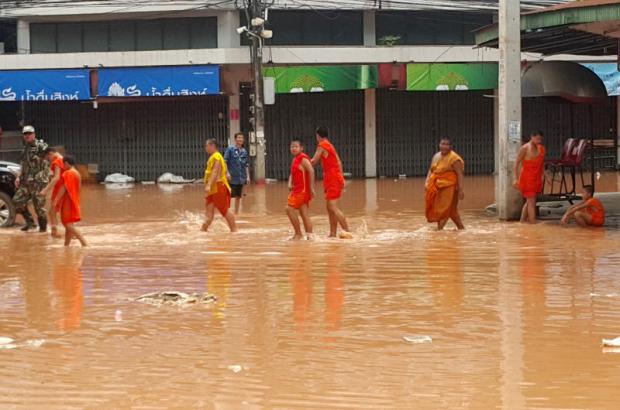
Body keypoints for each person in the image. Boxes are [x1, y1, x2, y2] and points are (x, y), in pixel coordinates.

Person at [310, 126, 352, 239]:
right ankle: (332, 234)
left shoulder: (322, 145)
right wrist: (341, 177)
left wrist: (301, 161)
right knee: (329, 207)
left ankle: (347, 231)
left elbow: (313, 161)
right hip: (333, 177)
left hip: (332, 178)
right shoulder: (329, 145)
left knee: (332, 206)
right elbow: (339, 162)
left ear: (317, 136)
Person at [13, 125, 49, 232]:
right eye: (25, 134)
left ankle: (43, 230)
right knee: (17, 201)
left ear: (34, 134)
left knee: (39, 208)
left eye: (29, 133)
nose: (27, 136)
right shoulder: (25, 148)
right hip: (26, 182)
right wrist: (18, 177)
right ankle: (30, 223)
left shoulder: (41, 146)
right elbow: (23, 164)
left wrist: (45, 177)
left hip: (38, 183)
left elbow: (50, 158)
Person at [424, 137, 465, 230]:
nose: (444, 146)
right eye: (442, 144)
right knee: (452, 211)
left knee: (444, 209)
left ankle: (439, 231)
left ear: (450, 146)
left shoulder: (454, 158)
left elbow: (460, 174)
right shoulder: (436, 156)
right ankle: (462, 229)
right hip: (438, 186)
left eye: (447, 144)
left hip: (450, 187)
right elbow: (431, 170)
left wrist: (460, 190)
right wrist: (427, 181)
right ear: (439, 145)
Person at [202, 138, 237, 233]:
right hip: (213, 189)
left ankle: (234, 230)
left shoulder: (216, 156)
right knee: (208, 212)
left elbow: (215, 171)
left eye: (206, 145)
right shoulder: (214, 157)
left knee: (224, 210)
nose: (205, 147)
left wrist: (209, 185)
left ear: (212, 146)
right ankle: (203, 231)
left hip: (218, 187)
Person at [53, 155, 87, 247]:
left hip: (68, 201)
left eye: (64, 164)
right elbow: (78, 189)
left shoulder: (68, 173)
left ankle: (84, 243)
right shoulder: (77, 173)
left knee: (68, 225)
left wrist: (56, 199)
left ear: (66, 163)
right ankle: (66, 245)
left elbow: (64, 188)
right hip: (74, 200)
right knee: (68, 225)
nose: (63, 167)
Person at [514, 130, 546, 224]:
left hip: (536, 178)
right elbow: (516, 164)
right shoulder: (524, 148)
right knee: (531, 202)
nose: (539, 141)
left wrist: (546, 176)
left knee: (530, 201)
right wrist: (515, 179)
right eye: (537, 138)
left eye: (540, 139)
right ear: (532, 137)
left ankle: (522, 221)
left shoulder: (541, 148)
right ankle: (533, 224)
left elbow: (541, 164)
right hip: (527, 179)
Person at [287, 140, 315, 240]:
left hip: (301, 191)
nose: (293, 148)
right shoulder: (295, 159)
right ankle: (310, 236)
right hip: (297, 190)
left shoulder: (302, 158)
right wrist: (290, 183)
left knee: (289, 209)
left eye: (296, 146)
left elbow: (311, 170)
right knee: (304, 213)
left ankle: (298, 234)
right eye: (292, 147)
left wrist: (311, 187)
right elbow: (292, 173)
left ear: (301, 148)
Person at [40, 147, 65, 238]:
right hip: (63, 188)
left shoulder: (57, 161)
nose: (48, 160)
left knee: (52, 211)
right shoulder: (62, 159)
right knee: (54, 211)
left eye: (48, 157)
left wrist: (45, 190)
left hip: (59, 189)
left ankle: (56, 233)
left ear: (50, 153)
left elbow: (57, 177)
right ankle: (56, 232)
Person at [224, 132, 250, 214]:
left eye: (242, 138)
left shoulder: (244, 151)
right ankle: (228, 213)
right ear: (235, 139)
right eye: (238, 138)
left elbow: (246, 165)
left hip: (241, 178)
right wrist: (227, 173)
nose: (240, 139)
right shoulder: (230, 149)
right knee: (230, 197)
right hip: (231, 178)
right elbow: (225, 162)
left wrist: (248, 176)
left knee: (239, 197)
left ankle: (236, 214)